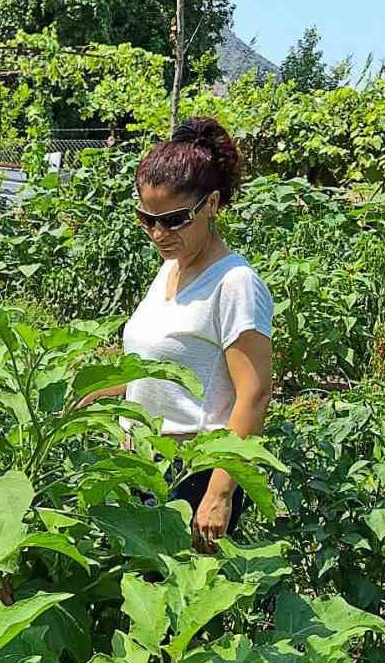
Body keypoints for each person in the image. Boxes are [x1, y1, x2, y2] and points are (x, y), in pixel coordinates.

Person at [79, 117, 274, 554]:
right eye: (146, 219)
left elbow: (255, 394)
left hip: (193, 476)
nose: (158, 234)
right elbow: (160, 368)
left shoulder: (235, 283)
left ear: (211, 205)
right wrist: (90, 394)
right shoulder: (171, 268)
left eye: (173, 219)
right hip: (143, 465)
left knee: (178, 609)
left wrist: (220, 494)